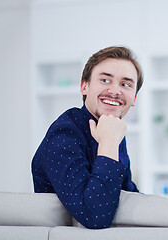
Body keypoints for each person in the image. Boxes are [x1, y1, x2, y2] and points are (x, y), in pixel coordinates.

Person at [32, 46, 143, 229]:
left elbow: (128, 195)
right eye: (105, 80)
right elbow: (94, 216)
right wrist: (108, 143)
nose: (115, 91)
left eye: (125, 84)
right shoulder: (64, 134)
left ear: (134, 98)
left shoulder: (111, 130)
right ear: (84, 86)